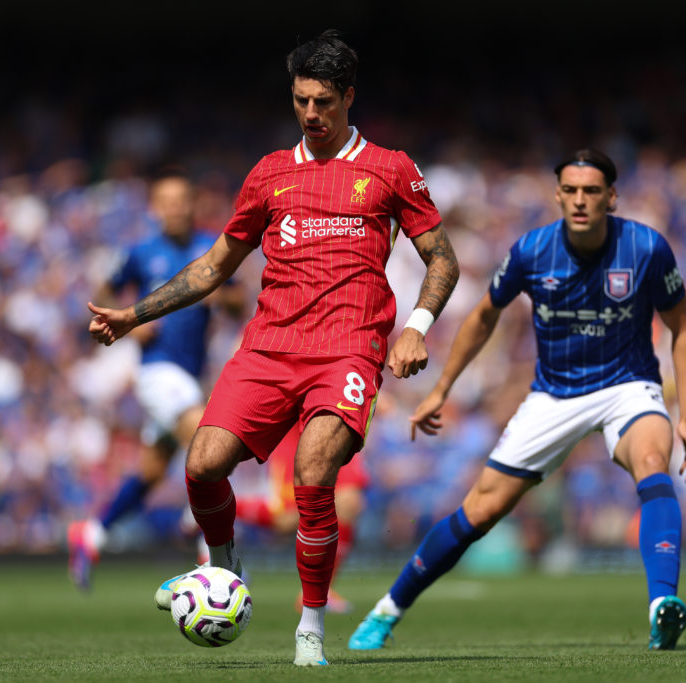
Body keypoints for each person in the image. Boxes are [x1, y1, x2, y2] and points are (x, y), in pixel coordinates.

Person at [86, 29, 459, 666]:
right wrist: (132, 313)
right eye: (299, 100)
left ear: (348, 97)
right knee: (201, 464)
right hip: (268, 346)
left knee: (315, 476)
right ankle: (225, 569)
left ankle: (310, 625)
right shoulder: (269, 174)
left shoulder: (390, 168)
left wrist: (418, 325)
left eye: (323, 101)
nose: (311, 114)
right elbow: (213, 266)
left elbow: (441, 260)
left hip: (348, 348)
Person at [348, 148, 686, 653]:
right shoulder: (532, 252)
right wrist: (442, 390)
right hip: (554, 394)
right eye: (572, 191)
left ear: (611, 197)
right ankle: (387, 611)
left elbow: (684, 329)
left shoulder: (646, 248)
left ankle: (661, 607)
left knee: (652, 461)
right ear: (558, 195)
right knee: (480, 511)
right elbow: (482, 317)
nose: (581, 201)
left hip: (628, 386)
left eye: (592, 191)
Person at [68, 169, 243, 591]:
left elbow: (239, 302)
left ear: (192, 204)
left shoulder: (210, 248)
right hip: (157, 371)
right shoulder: (141, 252)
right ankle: (208, 546)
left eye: (183, 200)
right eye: (168, 201)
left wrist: (222, 296)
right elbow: (105, 292)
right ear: (156, 208)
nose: (176, 208)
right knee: (211, 443)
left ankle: (92, 533)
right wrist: (134, 319)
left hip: (189, 373)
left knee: (151, 470)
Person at [233, 421, 369, 614]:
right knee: (286, 519)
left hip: (338, 424)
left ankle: (322, 591)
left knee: (349, 501)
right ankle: (221, 503)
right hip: (297, 431)